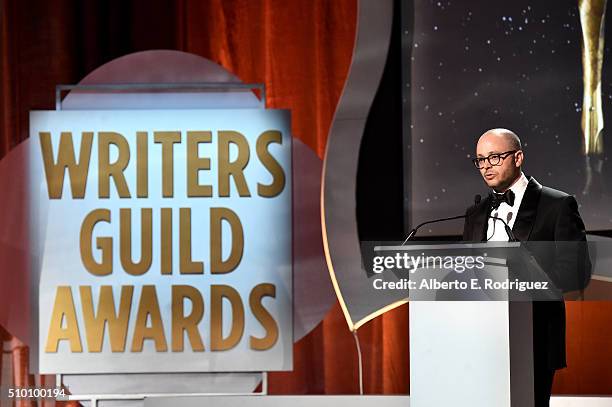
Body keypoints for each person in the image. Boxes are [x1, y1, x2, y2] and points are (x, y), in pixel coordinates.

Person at [462, 128, 591, 407]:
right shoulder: (475, 213)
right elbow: (468, 272)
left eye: (494, 157)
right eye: (480, 160)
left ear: (518, 157)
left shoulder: (557, 205)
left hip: (533, 336)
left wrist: (523, 279)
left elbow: (576, 272)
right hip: (480, 337)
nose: (486, 166)